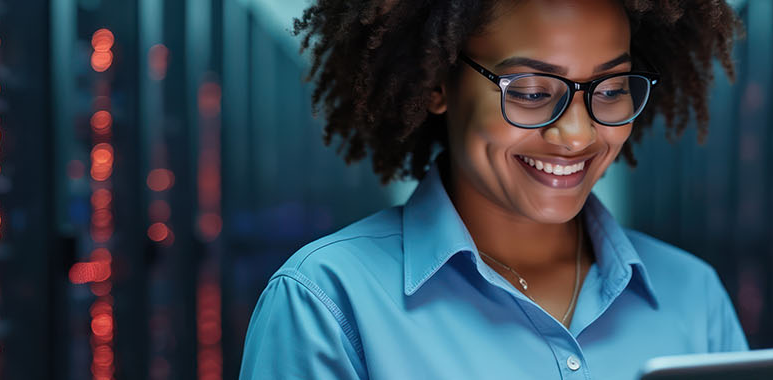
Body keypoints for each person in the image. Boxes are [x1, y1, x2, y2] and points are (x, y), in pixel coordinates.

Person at [240, 0, 744, 378]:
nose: (577, 136)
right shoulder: (326, 303)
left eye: (610, 91)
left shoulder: (695, 298)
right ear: (438, 82)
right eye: (529, 92)